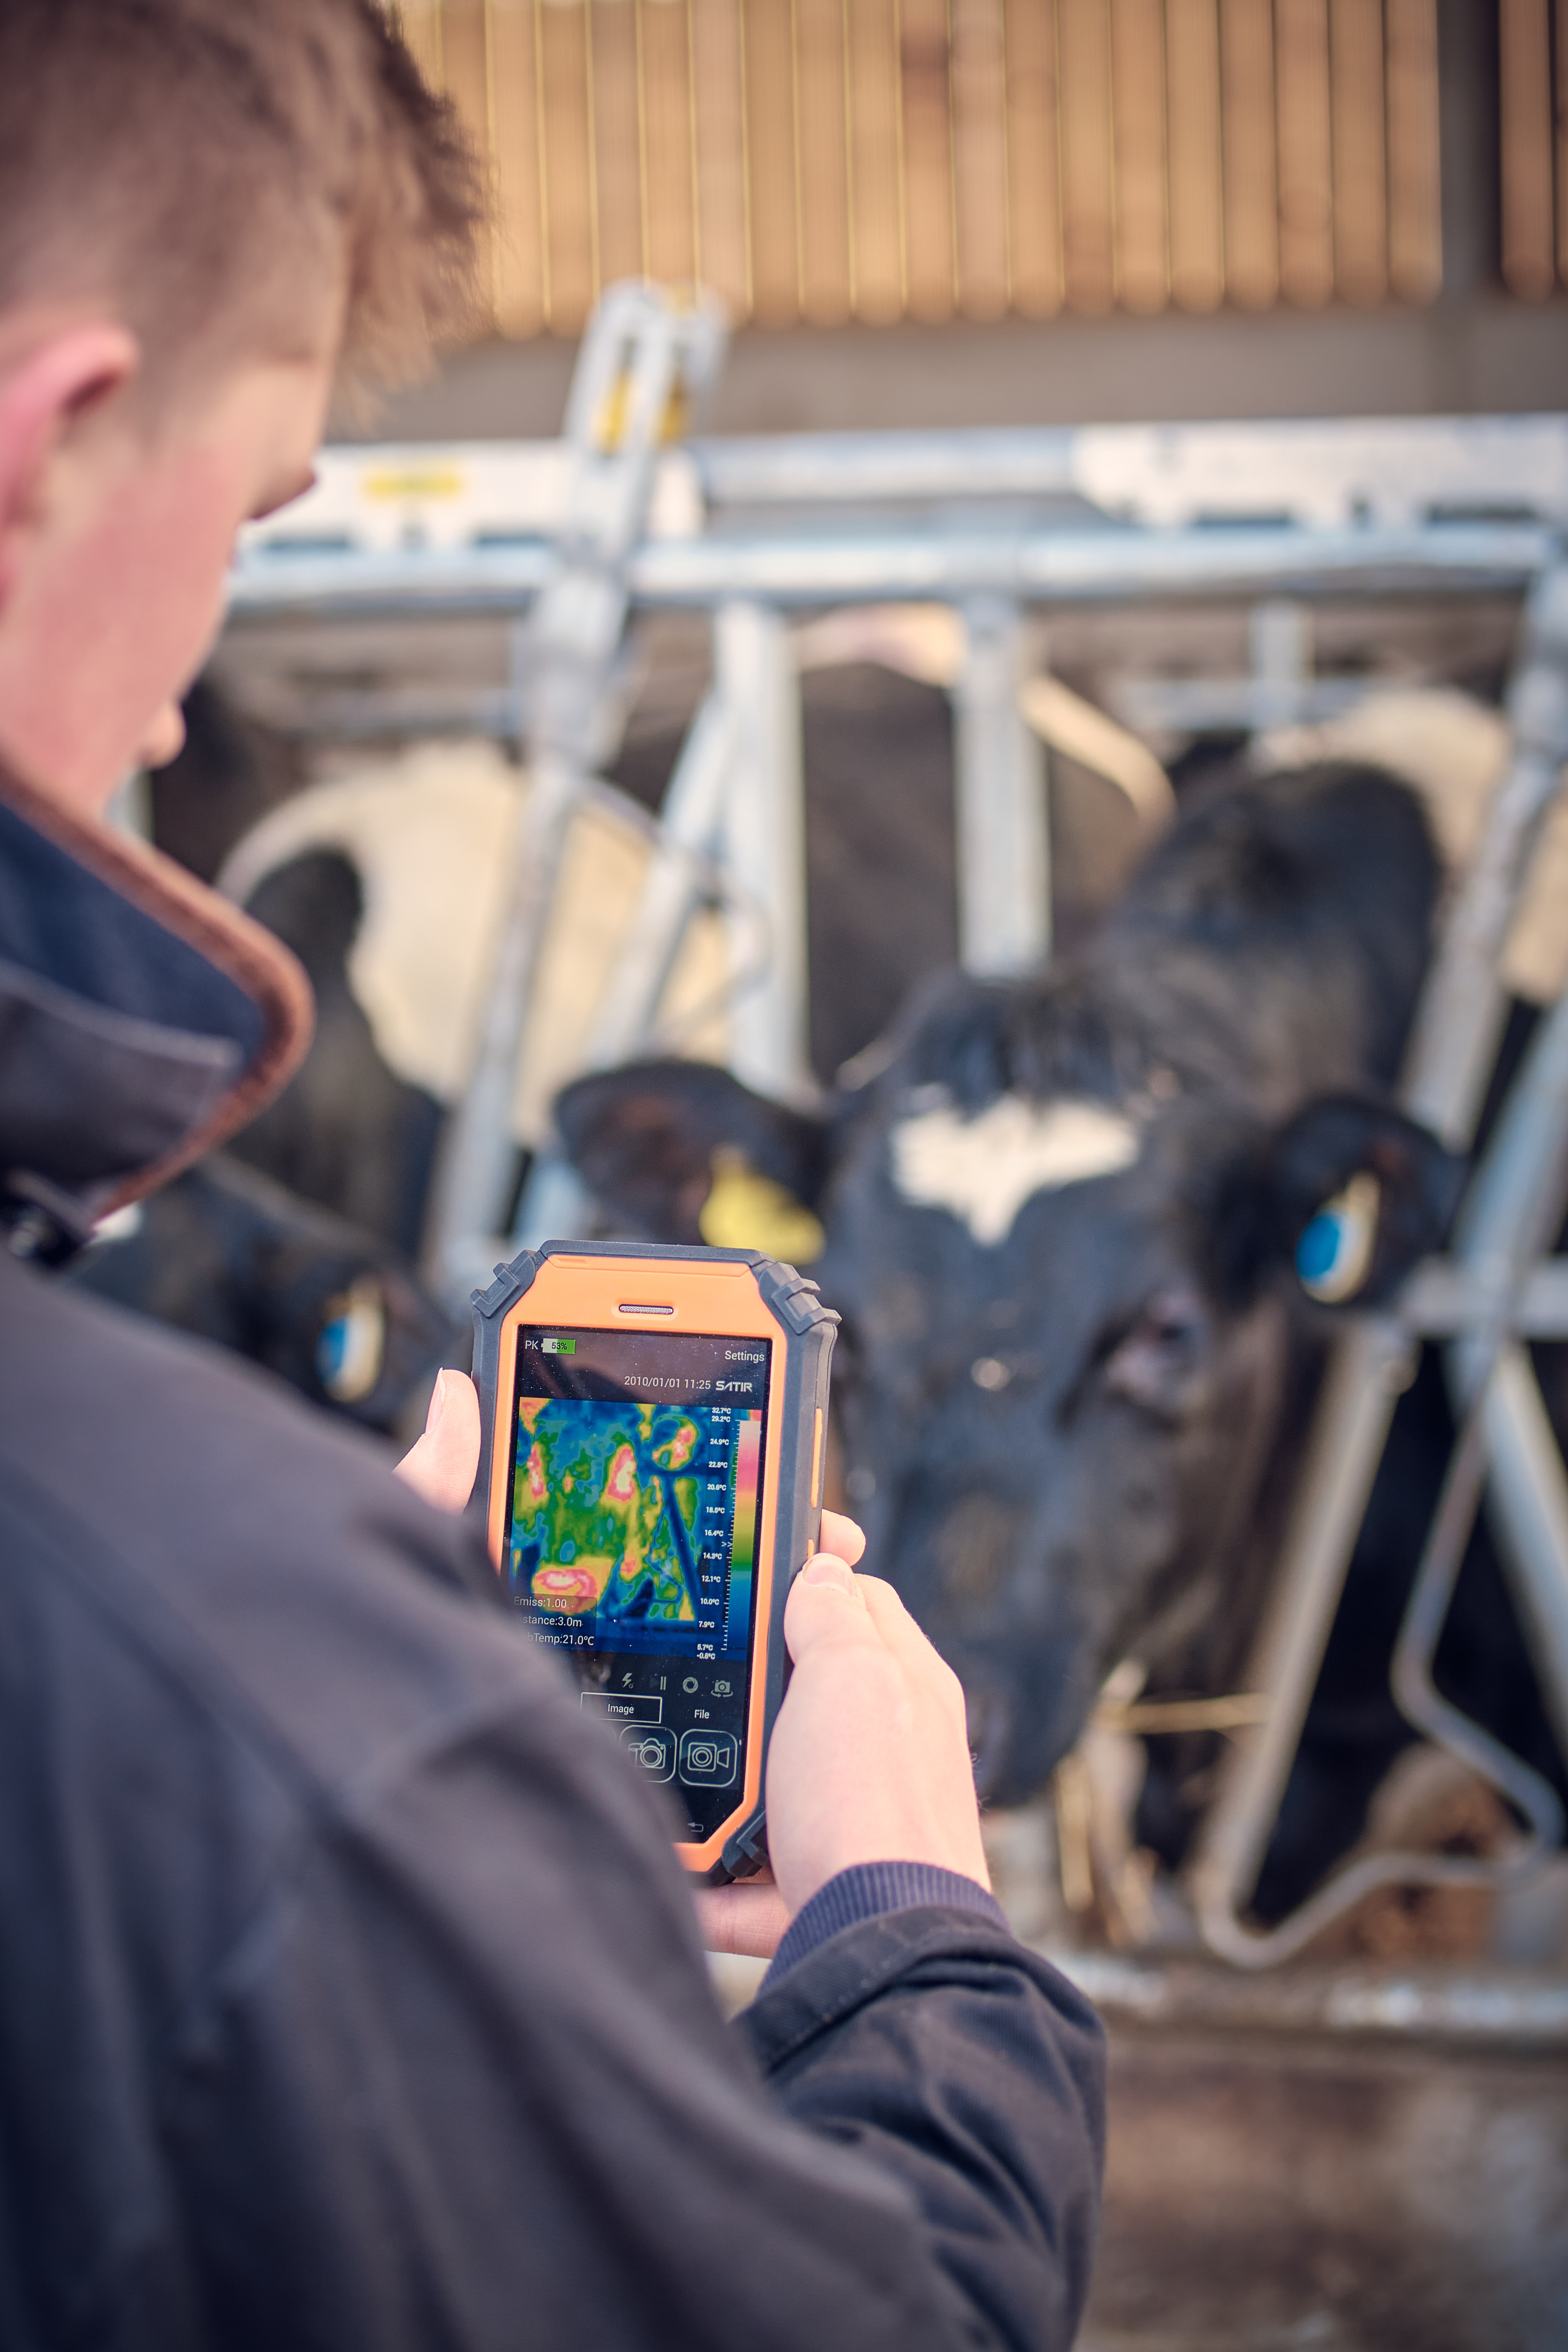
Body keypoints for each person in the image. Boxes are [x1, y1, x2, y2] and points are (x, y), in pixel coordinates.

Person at [0, 5, 1104, 2346]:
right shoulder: (195, 1629)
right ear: (57, 439)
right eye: (261, 509)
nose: (195, 702)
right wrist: (911, 1928)